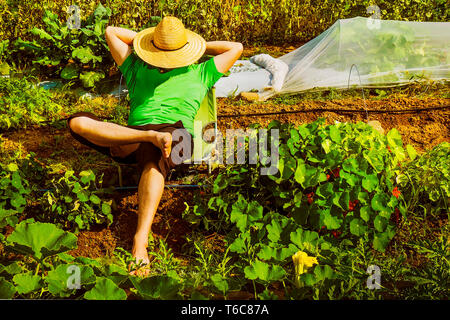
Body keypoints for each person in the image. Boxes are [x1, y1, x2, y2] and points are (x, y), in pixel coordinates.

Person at [67, 16, 243, 276]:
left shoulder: (199, 71)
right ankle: (149, 136)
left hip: (176, 136)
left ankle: (141, 241)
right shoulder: (141, 67)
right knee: (77, 122)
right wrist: (188, 46)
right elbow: (110, 31)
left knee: (154, 156)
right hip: (135, 136)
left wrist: (168, 45)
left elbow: (237, 48)